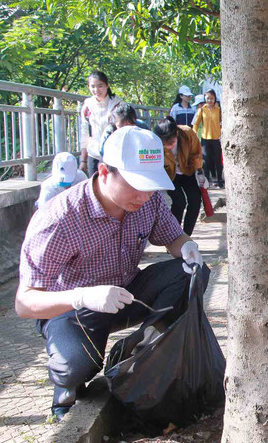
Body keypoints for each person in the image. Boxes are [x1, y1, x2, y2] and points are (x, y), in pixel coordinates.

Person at [15, 126, 205, 421]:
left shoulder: (148, 201)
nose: (144, 196)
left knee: (192, 273)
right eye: (135, 185)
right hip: (76, 308)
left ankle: (141, 351)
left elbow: (173, 239)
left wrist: (188, 247)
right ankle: (67, 387)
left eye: (151, 186)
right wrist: (83, 296)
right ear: (104, 172)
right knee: (76, 364)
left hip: (127, 292)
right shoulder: (59, 220)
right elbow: (25, 303)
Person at [155, 117, 204, 235]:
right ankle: (173, 237)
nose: (168, 146)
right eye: (164, 144)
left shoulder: (187, 133)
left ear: (176, 134)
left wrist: (200, 171)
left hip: (187, 170)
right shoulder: (154, 141)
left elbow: (196, 153)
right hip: (169, 174)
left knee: (195, 200)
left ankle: (186, 236)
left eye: (171, 143)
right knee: (179, 202)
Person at [80, 71, 124, 176]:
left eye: (100, 86)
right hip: (93, 154)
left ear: (107, 85)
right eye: (92, 86)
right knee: (94, 188)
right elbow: (85, 133)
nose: (96, 90)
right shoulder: (87, 105)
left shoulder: (118, 104)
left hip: (113, 155)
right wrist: (83, 160)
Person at [193, 89, 223, 189]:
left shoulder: (219, 110)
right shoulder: (202, 110)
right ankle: (207, 181)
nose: (210, 100)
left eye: (212, 98)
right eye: (208, 98)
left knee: (218, 160)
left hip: (216, 138)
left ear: (215, 99)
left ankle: (219, 180)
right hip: (205, 138)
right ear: (205, 98)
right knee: (206, 161)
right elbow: (196, 124)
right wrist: (193, 134)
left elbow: (223, 122)